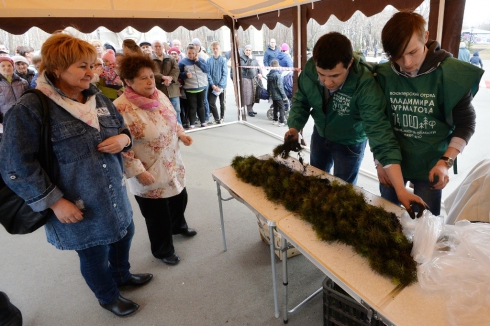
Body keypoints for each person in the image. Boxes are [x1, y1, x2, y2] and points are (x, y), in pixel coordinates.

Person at [0, 33, 152, 317]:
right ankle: (107, 296)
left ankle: (122, 276)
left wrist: (124, 141)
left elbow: (123, 130)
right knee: (94, 251)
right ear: (56, 69)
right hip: (75, 202)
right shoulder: (31, 108)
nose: (92, 72)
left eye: (93, 65)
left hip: (113, 192)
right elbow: (15, 167)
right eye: (83, 66)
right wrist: (55, 202)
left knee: (124, 233)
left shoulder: (98, 99)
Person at [375, 11, 483, 216]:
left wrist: (446, 161)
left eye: (413, 52)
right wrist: (379, 161)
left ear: (425, 37)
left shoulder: (451, 75)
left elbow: (466, 124)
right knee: (386, 218)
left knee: (424, 222)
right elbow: (376, 123)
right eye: (397, 56)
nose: (406, 63)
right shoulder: (384, 75)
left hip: (431, 164)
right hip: (392, 161)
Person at [284, 32, 401, 188]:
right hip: (321, 133)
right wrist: (294, 127)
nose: (327, 82)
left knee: (343, 188)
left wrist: (383, 161)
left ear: (350, 63)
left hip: (349, 141)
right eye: (322, 75)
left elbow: (376, 125)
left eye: (335, 75)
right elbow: (301, 100)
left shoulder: (364, 82)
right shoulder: (310, 70)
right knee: (315, 178)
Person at [113, 54, 196, 266]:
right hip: (147, 168)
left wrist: (181, 133)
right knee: (157, 216)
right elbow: (122, 149)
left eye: (151, 76)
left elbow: (171, 119)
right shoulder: (120, 108)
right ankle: (162, 250)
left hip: (171, 161)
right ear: (128, 82)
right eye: (143, 78)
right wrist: (138, 172)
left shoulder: (159, 94)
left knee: (180, 198)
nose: (150, 81)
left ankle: (178, 226)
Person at [179, 44, 209, 128]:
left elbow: (207, 69)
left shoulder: (201, 60)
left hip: (201, 87)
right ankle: (192, 123)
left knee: (201, 105)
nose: (191, 55)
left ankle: (203, 122)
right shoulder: (182, 62)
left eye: (193, 53)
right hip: (190, 88)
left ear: (196, 53)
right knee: (192, 106)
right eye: (189, 53)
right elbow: (179, 74)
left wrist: (198, 62)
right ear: (186, 53)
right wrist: (185, 74)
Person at [152, 41, 182, 124]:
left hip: (172, 89)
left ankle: (179, 129)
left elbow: (176, 69)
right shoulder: (150, 60)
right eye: (155, 46)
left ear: (163, 47)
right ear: (152, 48)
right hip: (160, 90)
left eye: (159, 46)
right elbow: (151, 72)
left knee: (176, 110)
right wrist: (162, 77)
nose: (158, 48)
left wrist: (170, 79)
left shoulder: (170, 58)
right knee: (163, 111)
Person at [207, 41, 227, 124]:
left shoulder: (223, 60)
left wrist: (220, 86)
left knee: (222, 102)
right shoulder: (209, 60)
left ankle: (222, 117)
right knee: (211, 102)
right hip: (213, 86)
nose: (215, 50)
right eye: (214, 48)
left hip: (221, 86)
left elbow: (224, 74)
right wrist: (212, 85)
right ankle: (217, 118)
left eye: (217, 48)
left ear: (220, 49)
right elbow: (208, 73)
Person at [240, 44, 262, 117]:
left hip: (254, 78)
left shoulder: (254, 57)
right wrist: (249, 59)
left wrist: (260, 73)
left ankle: (251, 109)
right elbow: (246, 67)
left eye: (249, 50)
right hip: (246, 78)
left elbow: (258, 66)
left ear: (251, 51)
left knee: (254, 95)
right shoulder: (242, 58)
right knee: (248, 95)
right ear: (244, 51)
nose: (248, 52)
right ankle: (249, 110)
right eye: (247, 50)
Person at [267, 60, 288, 126]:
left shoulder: (270, 74)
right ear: (278, 66)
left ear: (271, 66)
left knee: (275, 107)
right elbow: (280, 86)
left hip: (272, 94)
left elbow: (268, 85)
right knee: (282, 107)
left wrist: (269, 93)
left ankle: (275, 120)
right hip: (278, 94)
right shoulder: (277, 75)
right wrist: (284, 96)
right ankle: (281, 121)